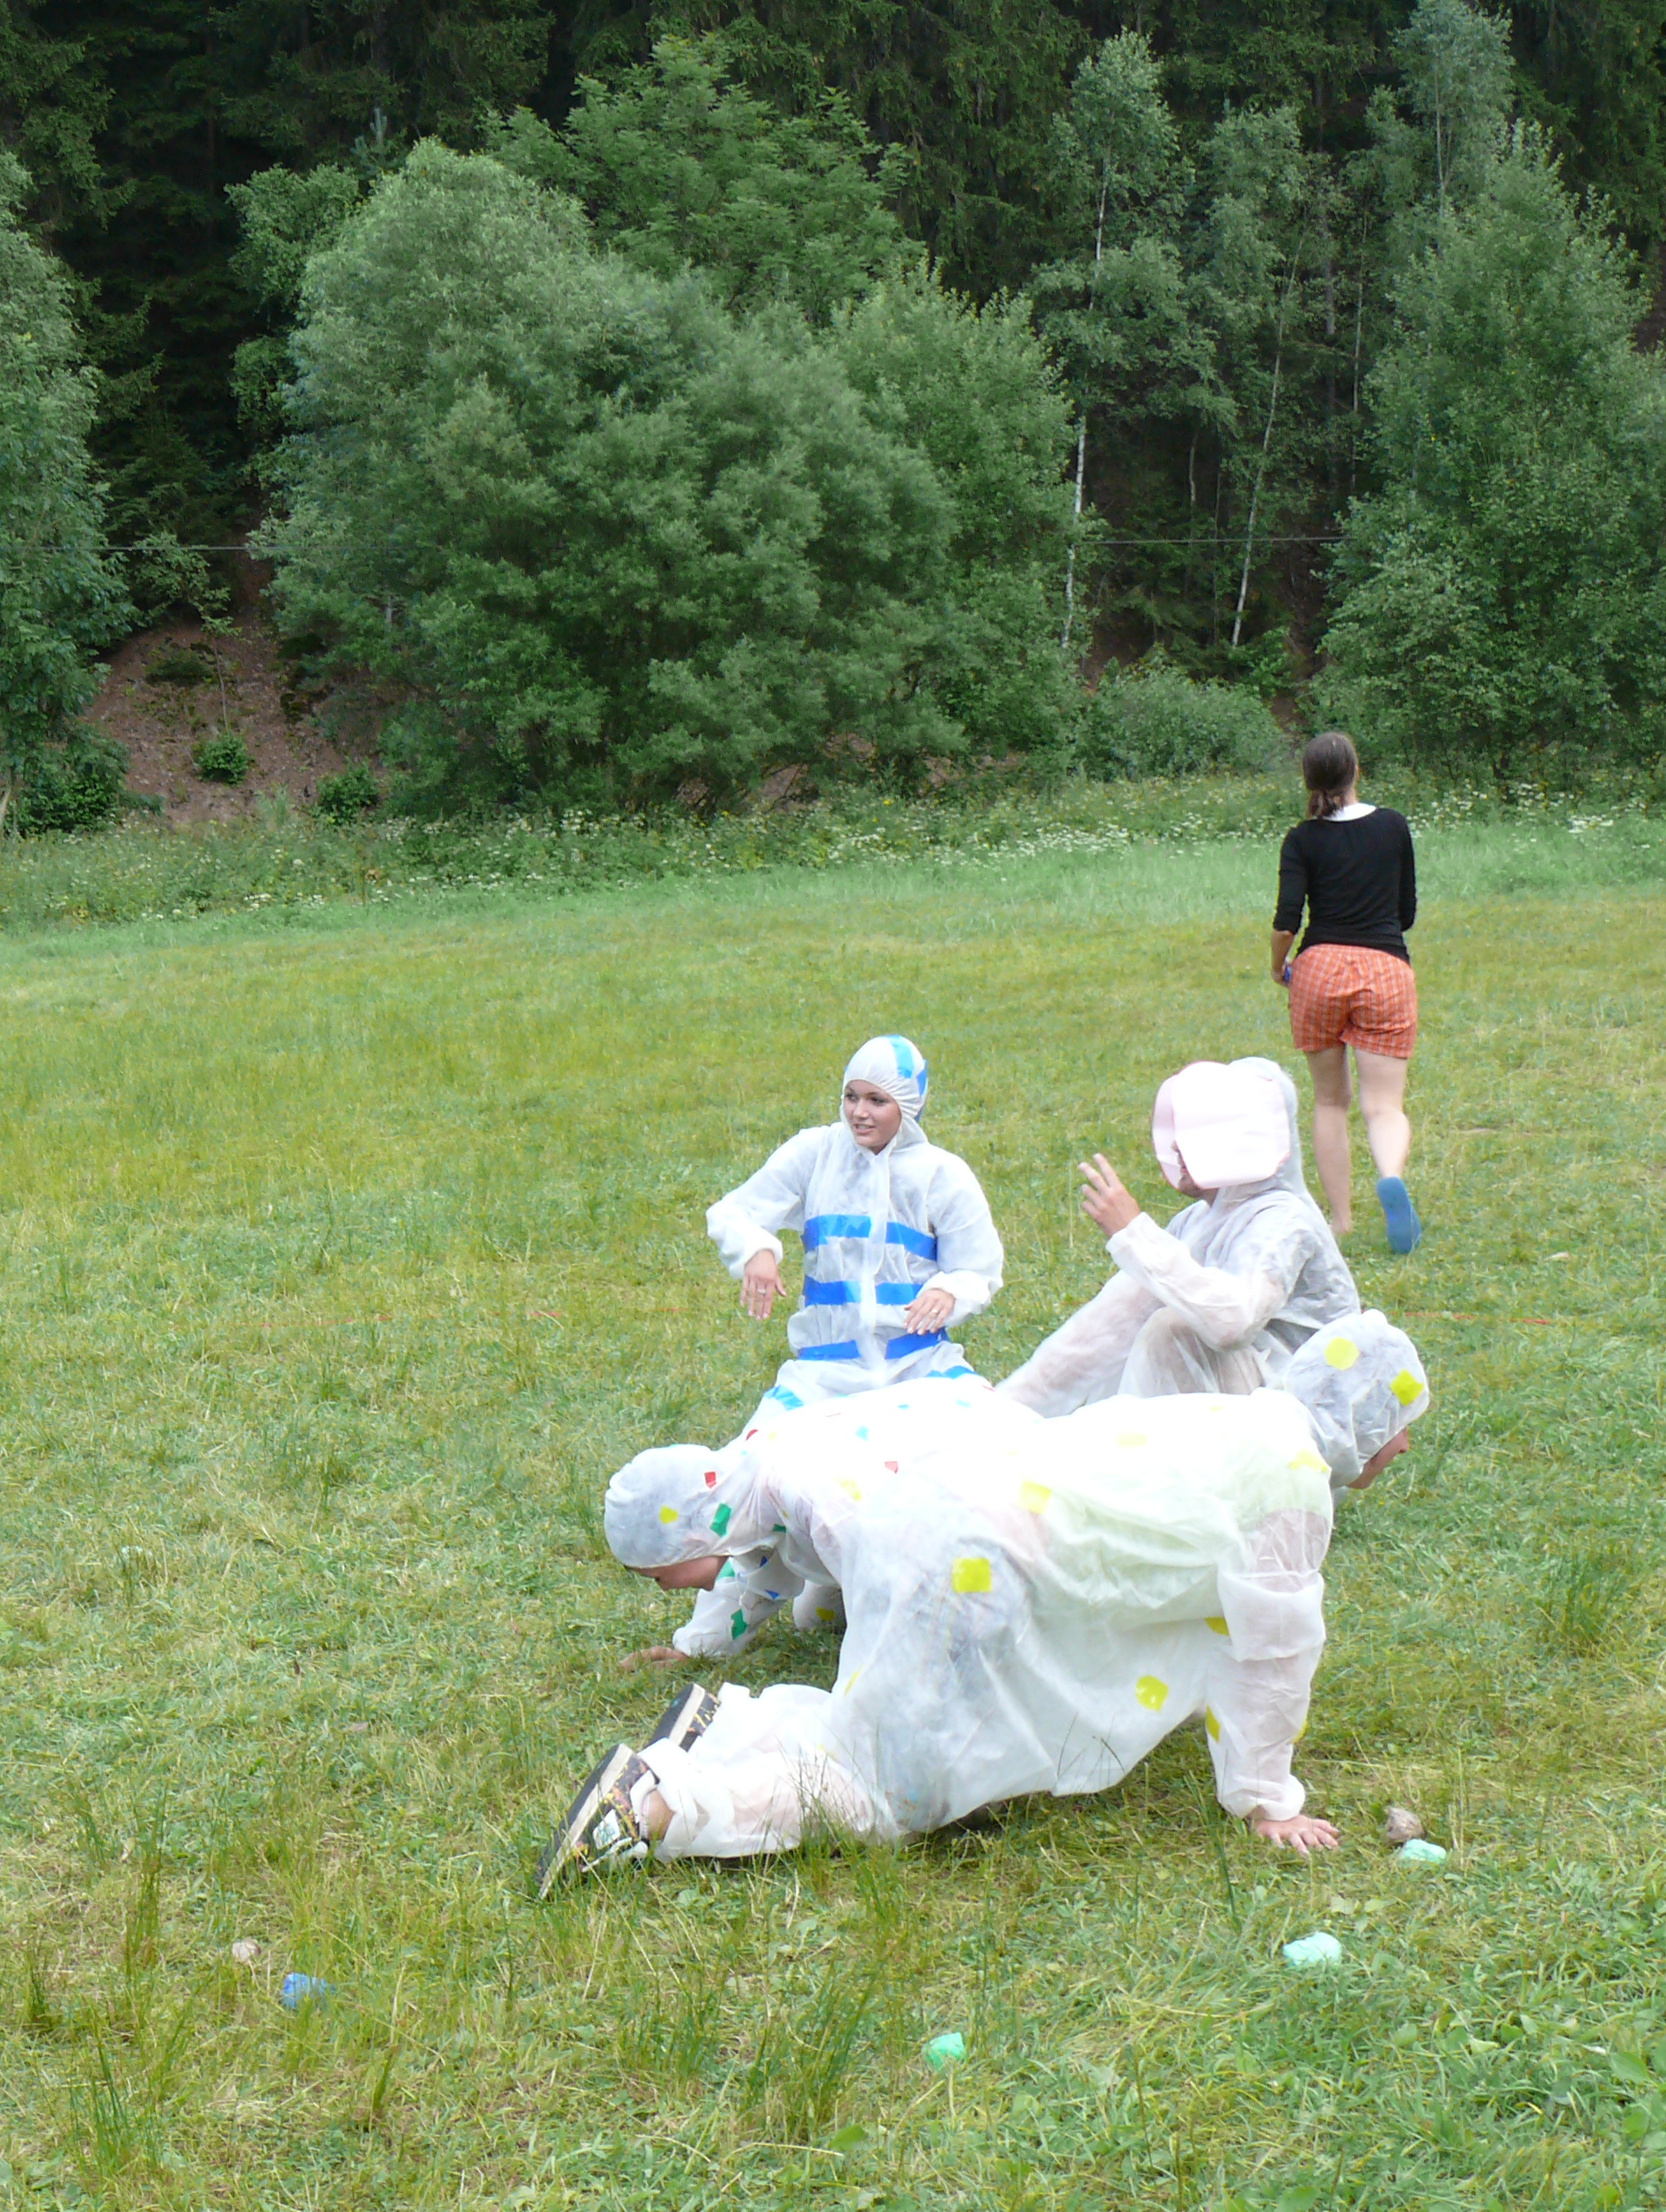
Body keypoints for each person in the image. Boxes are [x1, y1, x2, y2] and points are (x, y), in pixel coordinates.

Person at [536, 1312, 1431, 1899]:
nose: (1398, 1454)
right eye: (1401, 1433)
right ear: (1372, 1426)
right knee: (892, 1792)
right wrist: (1267, 1801)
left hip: (938, 1505)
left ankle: (730, 1726)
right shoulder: (1294, 1487)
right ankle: (660, 1808)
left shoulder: (1236, 1416)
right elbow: (1272, 1658)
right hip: (970, 1561)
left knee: (880, 1721)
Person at [1002, 1057, 1359, 1415]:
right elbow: (1107, 1328)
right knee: (1152, 1319)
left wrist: (1136, 1236)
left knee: (1173, 1331)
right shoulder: (1200, 1221)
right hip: (1258, 1404)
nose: (1175, 1147)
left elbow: (1232, 1322)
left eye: (1199, 1133)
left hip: (1313, 1414)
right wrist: (1006, 1408)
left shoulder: (1284, 1220)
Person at [621, 1375, 1041, 1658]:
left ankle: (1006, 1606)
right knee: (815, 1616)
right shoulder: (741, 1495)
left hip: (997, 1482)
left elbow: (889, 1583)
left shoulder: (814, 1496)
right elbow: (755, 1576)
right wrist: (695, 1648)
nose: (664, 1588)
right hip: (907, 1499)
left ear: (687, 1541)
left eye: (658, 1577)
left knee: (934, 1622)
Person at [704, 1035, 1005, 1419]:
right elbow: (734, 1212)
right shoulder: (815, 1153)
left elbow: (977, 1266)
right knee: (768, 1448)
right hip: (824, 1369)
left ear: (907, 1106)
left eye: (877, 1101)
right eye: (851, 1097)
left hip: (919, 1362)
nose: (859, 1112)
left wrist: (949, 1290)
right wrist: (755, 1249)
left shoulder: (941, 1173)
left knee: (988, 1429)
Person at [1272, 731, 1421, 1252]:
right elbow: (1405, 912)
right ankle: (1391, 1176)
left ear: (1309, 780)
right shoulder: (1393, 825)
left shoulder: (1301, 839)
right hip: (1385, 968)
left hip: (1318, 970)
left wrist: (1278, 966)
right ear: (1356, 771)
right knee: (1385, 1105)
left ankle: (1340, 1221)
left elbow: (1287, 921)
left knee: (1330, 1101)